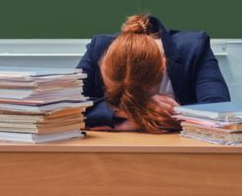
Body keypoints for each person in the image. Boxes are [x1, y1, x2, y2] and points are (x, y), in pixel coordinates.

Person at [76, 14, 230, 133]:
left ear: (163, 66)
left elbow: (218, 108)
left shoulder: (195, 47)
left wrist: (162, 115)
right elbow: (65, 108)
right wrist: (139, 113)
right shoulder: (100, 49)